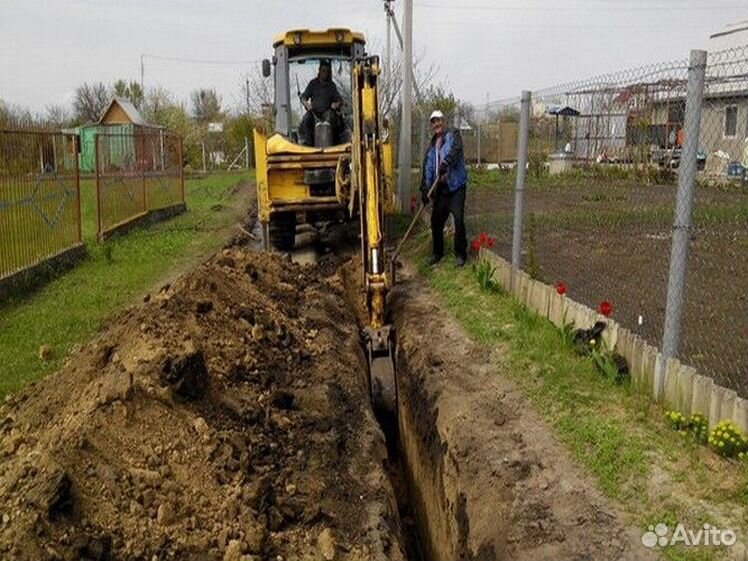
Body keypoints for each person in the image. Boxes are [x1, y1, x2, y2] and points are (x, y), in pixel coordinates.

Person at [420, 110, 469, 267]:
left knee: (459, 219)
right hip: (441, 190)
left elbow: (456, 151)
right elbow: (428, 169)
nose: (436, 124)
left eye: (438, 120)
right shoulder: (432, 146)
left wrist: (446, 162)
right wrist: (425, 190)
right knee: (436, 221)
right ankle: (437, 253)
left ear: (444, 121)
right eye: (433, 122)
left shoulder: (453, 135)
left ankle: (460, 254)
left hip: (456, 187)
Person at [299, 60, 343, 146]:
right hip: (314, 112)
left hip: (328, 112)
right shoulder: (313, 84)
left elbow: (340, 100)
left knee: (332, 118)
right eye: (323, 71)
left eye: (327, 71)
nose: (325, 73)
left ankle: (333, 143)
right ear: (319, 71)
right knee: (307, 119)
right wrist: (306, 104)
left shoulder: (332, 86)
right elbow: (303, 97)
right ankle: (308, 144)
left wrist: (336, 104)